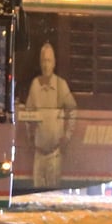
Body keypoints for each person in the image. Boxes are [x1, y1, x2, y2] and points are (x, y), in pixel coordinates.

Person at [23, 42, 77, 188]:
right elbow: (28, 114)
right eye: (43, 61)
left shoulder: (61, 85)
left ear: (54, 63)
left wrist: (67, 136)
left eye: (49, 61)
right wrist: (30, 137)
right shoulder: (35, 84)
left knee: (52, 195)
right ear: (40, 64)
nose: (46, 65)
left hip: (55, 154)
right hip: (38, 155)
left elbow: (72, 110)